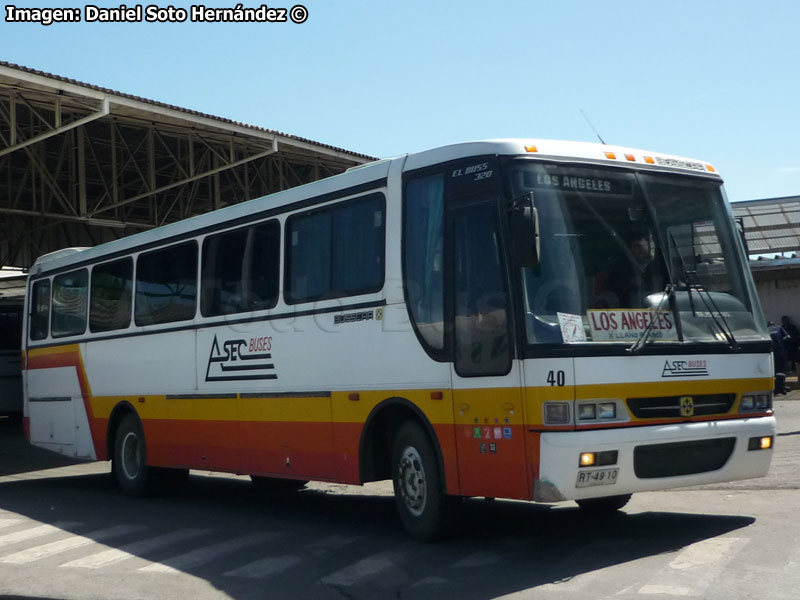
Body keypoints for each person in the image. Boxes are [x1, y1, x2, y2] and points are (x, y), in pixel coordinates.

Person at [605, 231, 662, 308]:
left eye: (644, 246)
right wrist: (629, 284)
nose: (641, 250)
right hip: (629, 313)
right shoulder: (620, 269)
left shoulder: (658, 267)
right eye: (637, 246)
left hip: (658, 311)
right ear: (630, 249)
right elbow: (611, 293)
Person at [768, 320, 790, 395]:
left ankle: (776, 388)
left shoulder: (766, 330)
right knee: (782, 370)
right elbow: (788, 337)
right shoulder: (779, 327)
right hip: (780, 351)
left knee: (774, 371)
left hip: (771, 353)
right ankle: (782, 387)